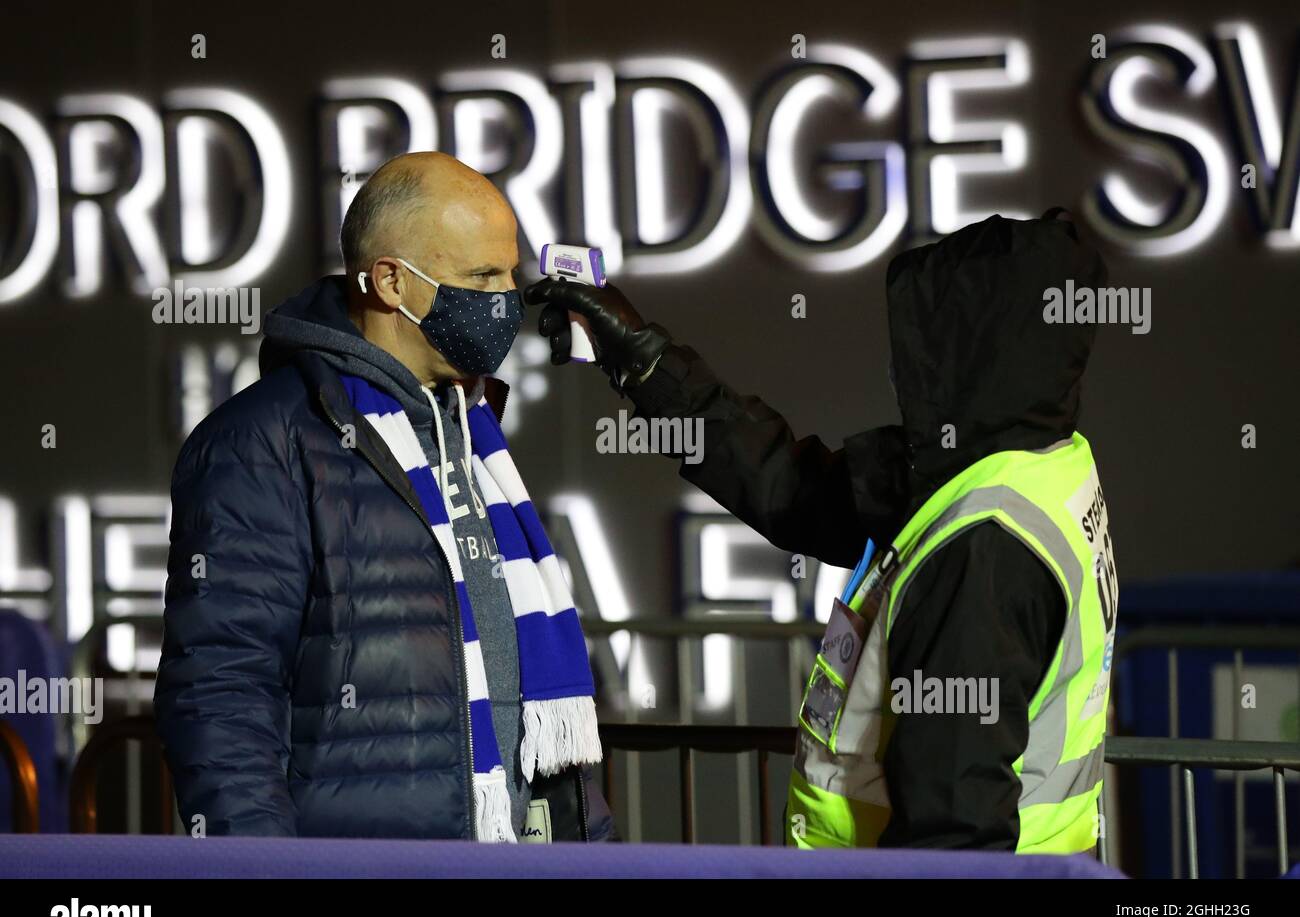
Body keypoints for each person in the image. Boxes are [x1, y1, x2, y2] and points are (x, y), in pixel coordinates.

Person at [525, 211, 1117, 852]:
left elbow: (956, 835)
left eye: (926, 342)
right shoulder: (1032, 463)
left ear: (973, 352)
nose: (901, 367)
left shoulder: (984, 545)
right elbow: (790, 485)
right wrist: (641, 359)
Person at [154, 152, 611, 842]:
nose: (508, 298)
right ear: (393, 281)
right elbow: (222, 690)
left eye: (510, 272)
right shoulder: (264, 440)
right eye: (482, 277)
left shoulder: (470, 430)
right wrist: (260, 870)